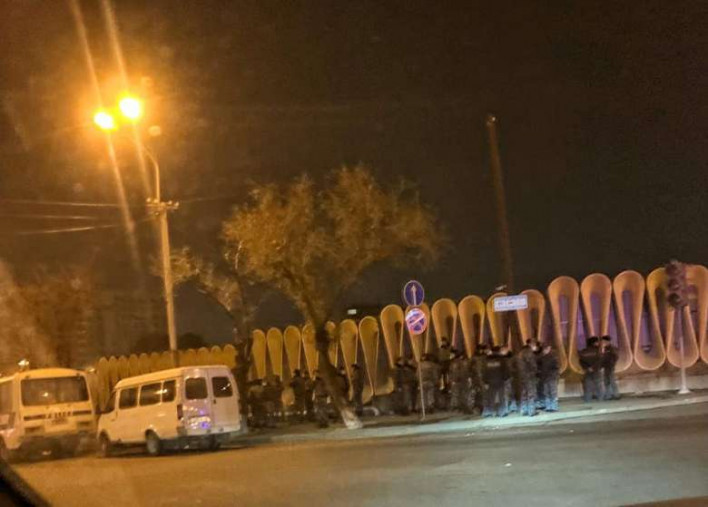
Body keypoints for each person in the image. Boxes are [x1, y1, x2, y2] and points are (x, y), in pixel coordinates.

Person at [483, 346, 510, 417]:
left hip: (490, 381)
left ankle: (489, 412)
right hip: (500, 380)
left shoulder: (487, 360)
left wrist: (485, 381)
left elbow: (484, 371)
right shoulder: (501, 359)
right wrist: (506, 378)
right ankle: (502, 412)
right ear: (499, 351)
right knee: (501, 397)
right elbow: (505, 370)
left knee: (490, 397)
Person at [517, 340, 539, 416]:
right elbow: (533, 365)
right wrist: (535, 371)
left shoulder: (521, 352)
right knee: (531, 393)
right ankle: (531, 411)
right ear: (531, 344)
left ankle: (524, 410)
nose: (535, 347)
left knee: (524, 393)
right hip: (529, 375)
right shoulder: (529, 353)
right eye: (534, 345)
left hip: (522, 376)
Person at [579, 336, 603, 402]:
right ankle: (600, 398)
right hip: (596, 370)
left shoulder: (584, 351)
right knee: (598, 385)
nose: (598, 343)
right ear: (594, 343)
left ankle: (587, 399)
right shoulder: (598, 351)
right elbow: (600, 361)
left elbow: (581, 361)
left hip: (587, 370)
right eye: (597, 342)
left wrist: (587, 367)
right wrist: (593, 367)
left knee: (588, 384)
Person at [538, 343, 560, 411]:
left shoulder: (553, 357)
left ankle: (553, 406)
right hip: (545, 377)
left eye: (546, 349)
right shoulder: (542, 357)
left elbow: (557, 367)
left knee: (552, 391)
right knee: (546, 392)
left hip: (551, 377)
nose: (545, 350)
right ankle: (548, 406)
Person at [601, 336, 620, 400]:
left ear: (607, 341)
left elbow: (616, 357)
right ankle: (608, 395)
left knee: (612, 381)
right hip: (606, 367)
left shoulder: (612, 348)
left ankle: (616, 395)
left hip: (610, 367)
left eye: (604, 341)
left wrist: (612, 363)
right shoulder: (606, 348)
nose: (603, 343)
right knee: (606, 381)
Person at [470, 344, 487, 415]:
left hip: (483, 379)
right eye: (481, 349)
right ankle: (476, 407)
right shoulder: (475, 358)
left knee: (483, 394)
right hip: (476, 379)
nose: (482, 350)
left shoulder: (484, 357)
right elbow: (470, 368)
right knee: (476, 394)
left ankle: (483, 408)